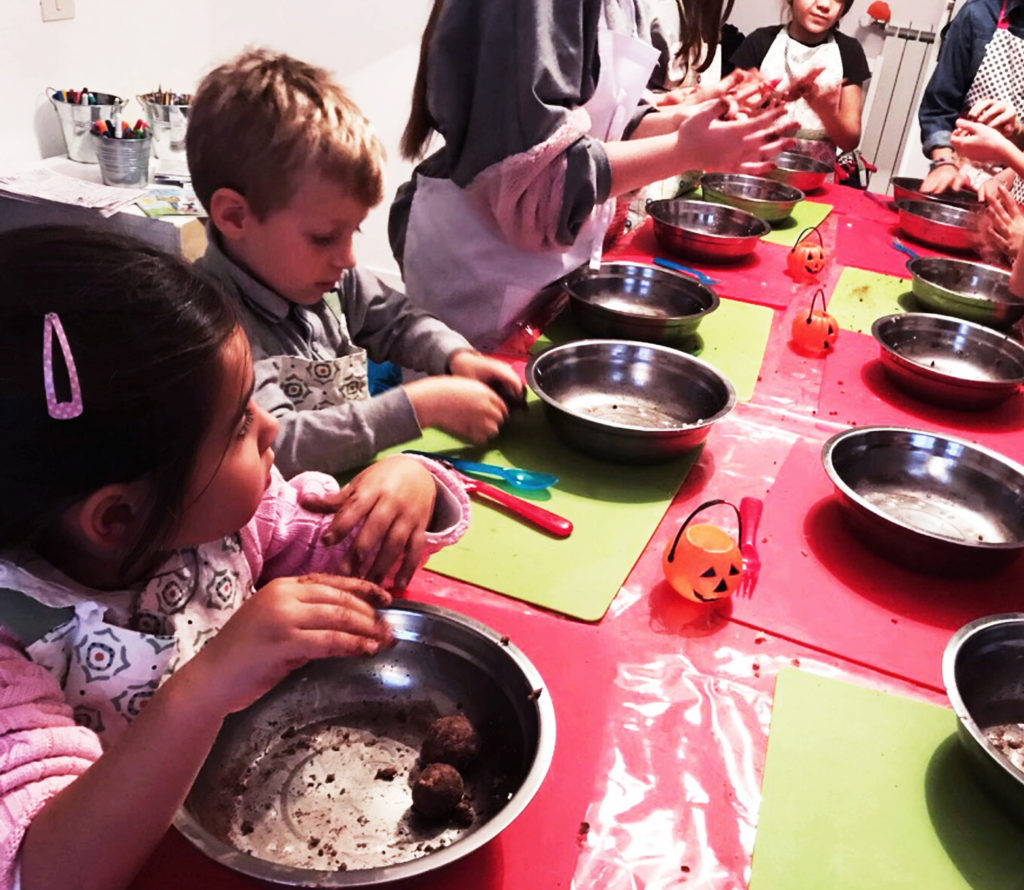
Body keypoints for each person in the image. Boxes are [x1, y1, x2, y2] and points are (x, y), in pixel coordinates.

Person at [0, 226, 470, 890]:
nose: (273, 425)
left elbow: (351, 568)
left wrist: (406, 489)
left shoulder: (228, 525)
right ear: (119, 516)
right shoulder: (16, 646)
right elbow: (43, 872)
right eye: (239, 425)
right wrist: (203, 689)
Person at [186, 49, 525, 479]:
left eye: (354, 232)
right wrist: (420, 406)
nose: (348, 258)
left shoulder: (325, 280)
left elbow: (398, 321)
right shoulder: (215, 328)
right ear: (235, 216)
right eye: (324, 237)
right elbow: (279, 447)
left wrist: (455, 356)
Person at [389, 0, 798, 349]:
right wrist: (684, 150)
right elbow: (535, 184)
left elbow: (602, 123)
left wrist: (699, 121)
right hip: (484, 270)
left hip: (549, 266)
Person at [728, 0, 870, 166]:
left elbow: (850, 142)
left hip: (814, 178)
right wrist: (769, 104)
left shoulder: (849, 51)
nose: (824, 4)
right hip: (756, 169)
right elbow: (735, 120)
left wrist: (827, 113)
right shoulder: (760, 42)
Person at [917, 0, 1024, 197]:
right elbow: (938, 108)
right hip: (963, 175)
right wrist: (944, 162)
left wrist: (1008, 175)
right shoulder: (979, 14)